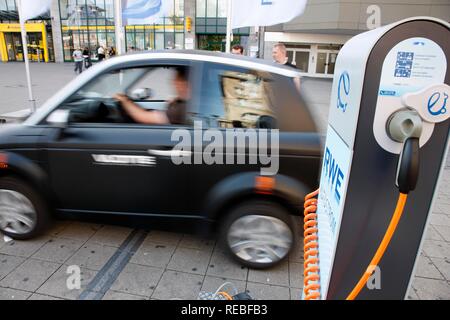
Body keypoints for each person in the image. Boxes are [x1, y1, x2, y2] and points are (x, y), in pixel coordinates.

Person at [114, 67, 190, 125]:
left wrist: (125, 100)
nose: (174, 83)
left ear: (184, 83)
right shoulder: (188, 103)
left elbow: (143, 117)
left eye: (177, 80)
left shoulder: (180, 109)